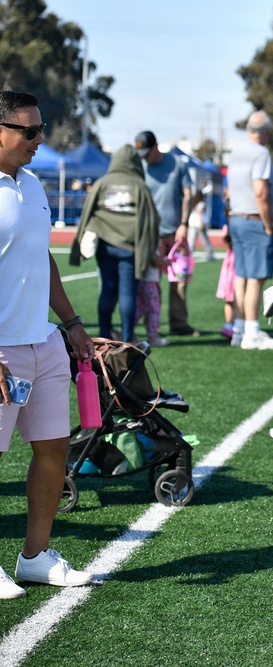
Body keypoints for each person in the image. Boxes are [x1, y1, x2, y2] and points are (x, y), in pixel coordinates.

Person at [0, 90, 94, 598]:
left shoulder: (34, 185)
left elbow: (44, 260)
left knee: (54, 449)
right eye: (30, 132)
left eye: (41, 130)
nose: (40, 141)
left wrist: (72, 322)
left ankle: (35, 556)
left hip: (44, 343)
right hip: (2, 348)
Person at [71, 144, 161, 346]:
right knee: (128, 292)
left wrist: (79, 247)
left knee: (107, 291)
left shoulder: (102, 183)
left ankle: (104, 334)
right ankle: (128, 338)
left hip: (105, 246)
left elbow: (88, 213)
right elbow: (152, 219)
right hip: (131, 248)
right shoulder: (139, 186)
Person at [226, 110, 273, 350]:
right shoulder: (261, 153)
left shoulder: (237, 150)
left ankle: (239, 329)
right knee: (256, 279)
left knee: (242, 276)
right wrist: (268, 223)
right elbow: (260, 190)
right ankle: (251, 331)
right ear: (266, 132)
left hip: (237, 218)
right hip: (253, 220)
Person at [134, 130, 201, 337]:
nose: (145, 157)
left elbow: (188, 195)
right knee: (150, 283)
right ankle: (151, 326)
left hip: (176, 232)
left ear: (156, 147)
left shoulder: (177, 165)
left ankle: (179, 323)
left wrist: (184, 224)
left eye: (147, 152)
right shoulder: (140, 167)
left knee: (179, 280)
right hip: (151, 235)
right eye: (141, 154)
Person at [135, 246, 169, 347]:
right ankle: (153, 336)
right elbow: (155, 261)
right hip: (149, 281)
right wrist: (167, 262)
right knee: (154, 309)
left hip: (139, 279)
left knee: (140, 307)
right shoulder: (150, 244)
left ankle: (127, 332)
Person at [216, 225, 236, 340]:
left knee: (229, 299)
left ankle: (229, 325)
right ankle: (236, 325)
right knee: (238, 299)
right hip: (237, 266)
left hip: (229, 267)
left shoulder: (227, 227)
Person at [187, 197, 215, 262]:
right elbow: (200, 214)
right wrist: (201, 223)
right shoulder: (201, 204)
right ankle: (210, 254)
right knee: (204, 240)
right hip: (199, 224)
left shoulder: (193, 203)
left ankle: (189, 255)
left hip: (192, 223)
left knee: (191, 241)